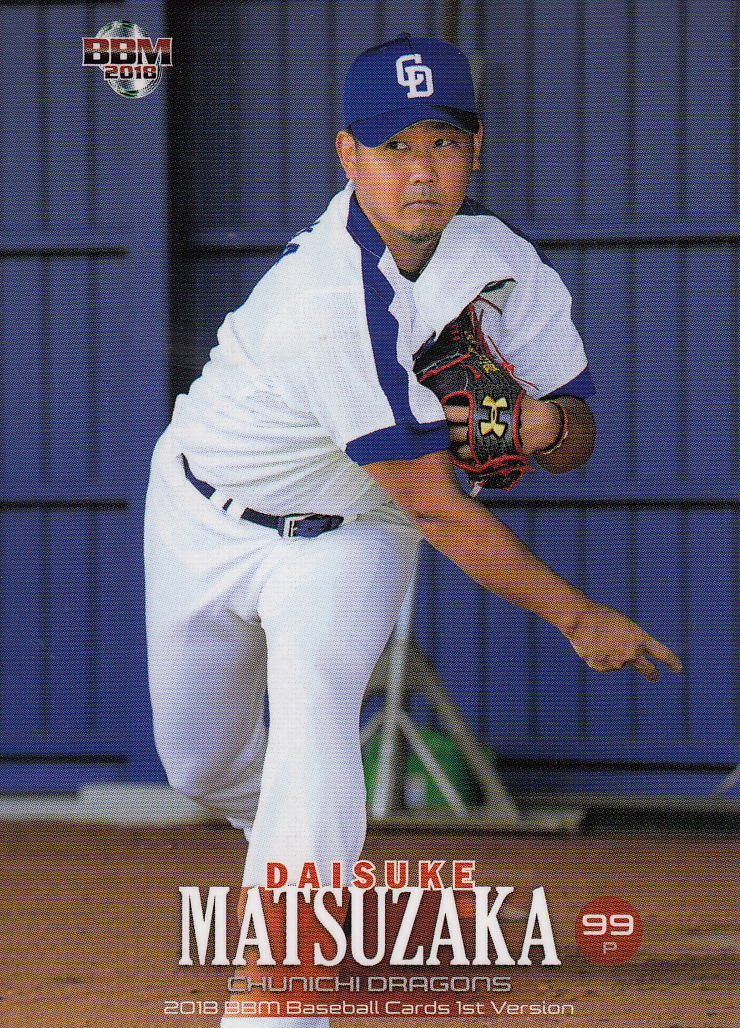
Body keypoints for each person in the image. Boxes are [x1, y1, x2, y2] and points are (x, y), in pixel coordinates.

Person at [144, 34, 682, 1028]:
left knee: (314, 717)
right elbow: (442, 504)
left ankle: (281, 995)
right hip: (203, 516)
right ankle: (313, 860)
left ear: (475, 151)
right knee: (201, 766)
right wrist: (578, 618)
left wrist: (546, 423)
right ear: (347, 155)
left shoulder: (498, 260)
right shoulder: (326, 299)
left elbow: (577, 428)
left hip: (355, 528)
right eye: (394, 145)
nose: (421, 169)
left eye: (443, 140)